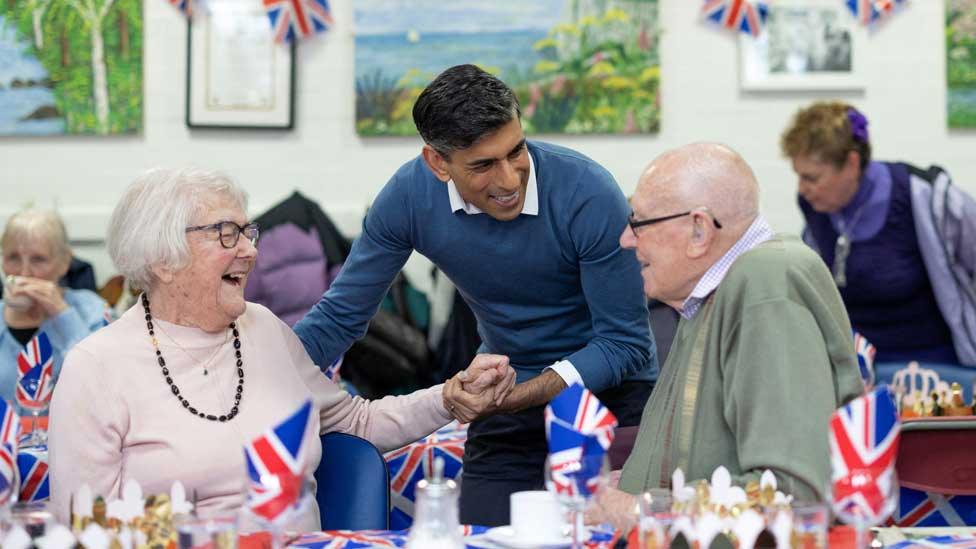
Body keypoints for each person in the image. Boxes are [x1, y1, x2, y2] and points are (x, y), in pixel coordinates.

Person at [48, 167, 515, 529]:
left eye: (248, 233)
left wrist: (449, 398)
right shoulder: (96, 368)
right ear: (162, 258)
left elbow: (353, 423)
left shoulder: (264, 329)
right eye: (226, 234)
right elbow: (85, 524)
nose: (251, 251)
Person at [294, 64, 657, 525]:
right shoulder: (408, 197)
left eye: (516, 151)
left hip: (613, 396)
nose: (508, 179)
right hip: (506, 400)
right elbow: (340, 317)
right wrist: (256, 369)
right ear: (437, 162)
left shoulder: (588, 192)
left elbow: (624, 344)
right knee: (479, 537)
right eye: (483, 165)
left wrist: (526, 392)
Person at [588, 143, 863, 529]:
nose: (626, 240)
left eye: (639, 224)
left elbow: (793, 497)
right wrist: (638, 481)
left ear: (699, 230)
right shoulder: (709, 294)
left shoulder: (767, 283)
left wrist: (639, 509)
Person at [781, 101, 976, 366]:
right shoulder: (815, 205)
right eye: (799, 177)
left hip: (932, 366)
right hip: (854, 366)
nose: (802, 188)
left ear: (851, 163)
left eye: (812, 178)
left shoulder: (927, 199)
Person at [0, 209, 109, 404]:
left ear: (65, 262)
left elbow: (107, 381)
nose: (24, 272)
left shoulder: (92, 310)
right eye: (13, 258)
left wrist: (62, 313)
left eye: (38, 259)